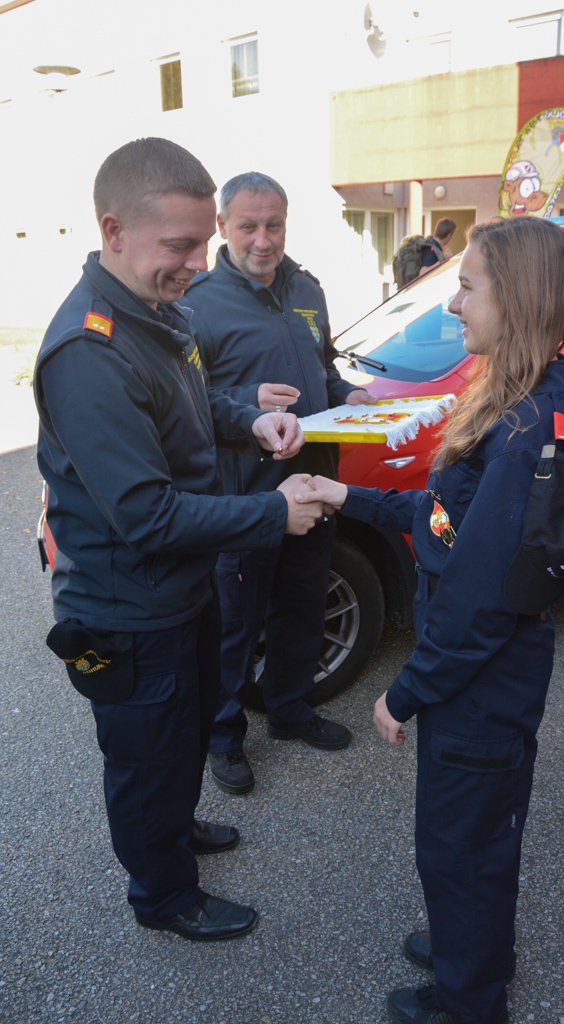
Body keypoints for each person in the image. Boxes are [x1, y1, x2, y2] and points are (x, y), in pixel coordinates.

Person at [33, 138, 325, 942]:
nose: (198, 263)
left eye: (201, 243)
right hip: (131, 605)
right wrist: (272, 513)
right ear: (114, 230)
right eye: (181, 245)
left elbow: (193, 406)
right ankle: (163, 896)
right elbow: (147, 516)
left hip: (180, 585)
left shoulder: (157, 311)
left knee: (184, 735)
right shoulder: (89, 352)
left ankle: (173, 829)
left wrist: (249, 420)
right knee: (147, 758)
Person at [299, 216, 564, 1024]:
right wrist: (344, 495)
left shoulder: (522, 428)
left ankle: (468, 1000)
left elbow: (477, 603)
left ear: (514, 299)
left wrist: (405, 692)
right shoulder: (517, 401)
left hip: (479, 683)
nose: (454, 304)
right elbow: (441, 517)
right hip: (487, 677)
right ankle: (476, 948)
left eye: (467, 286)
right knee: (477, 836)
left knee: (460, 847)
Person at [183, 171, 374, 796]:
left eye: (274, 225)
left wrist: (351, 394)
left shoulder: (307, 288)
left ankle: (290, 709)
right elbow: (187, 403)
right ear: (222, 226)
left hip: (314, 486)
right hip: (248, 497)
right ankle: (223, 737)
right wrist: (248, 402)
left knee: (302, 605)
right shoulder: (197, 302)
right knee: (235, 626)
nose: (263, 240)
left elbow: (323, 370)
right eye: (248, 227)